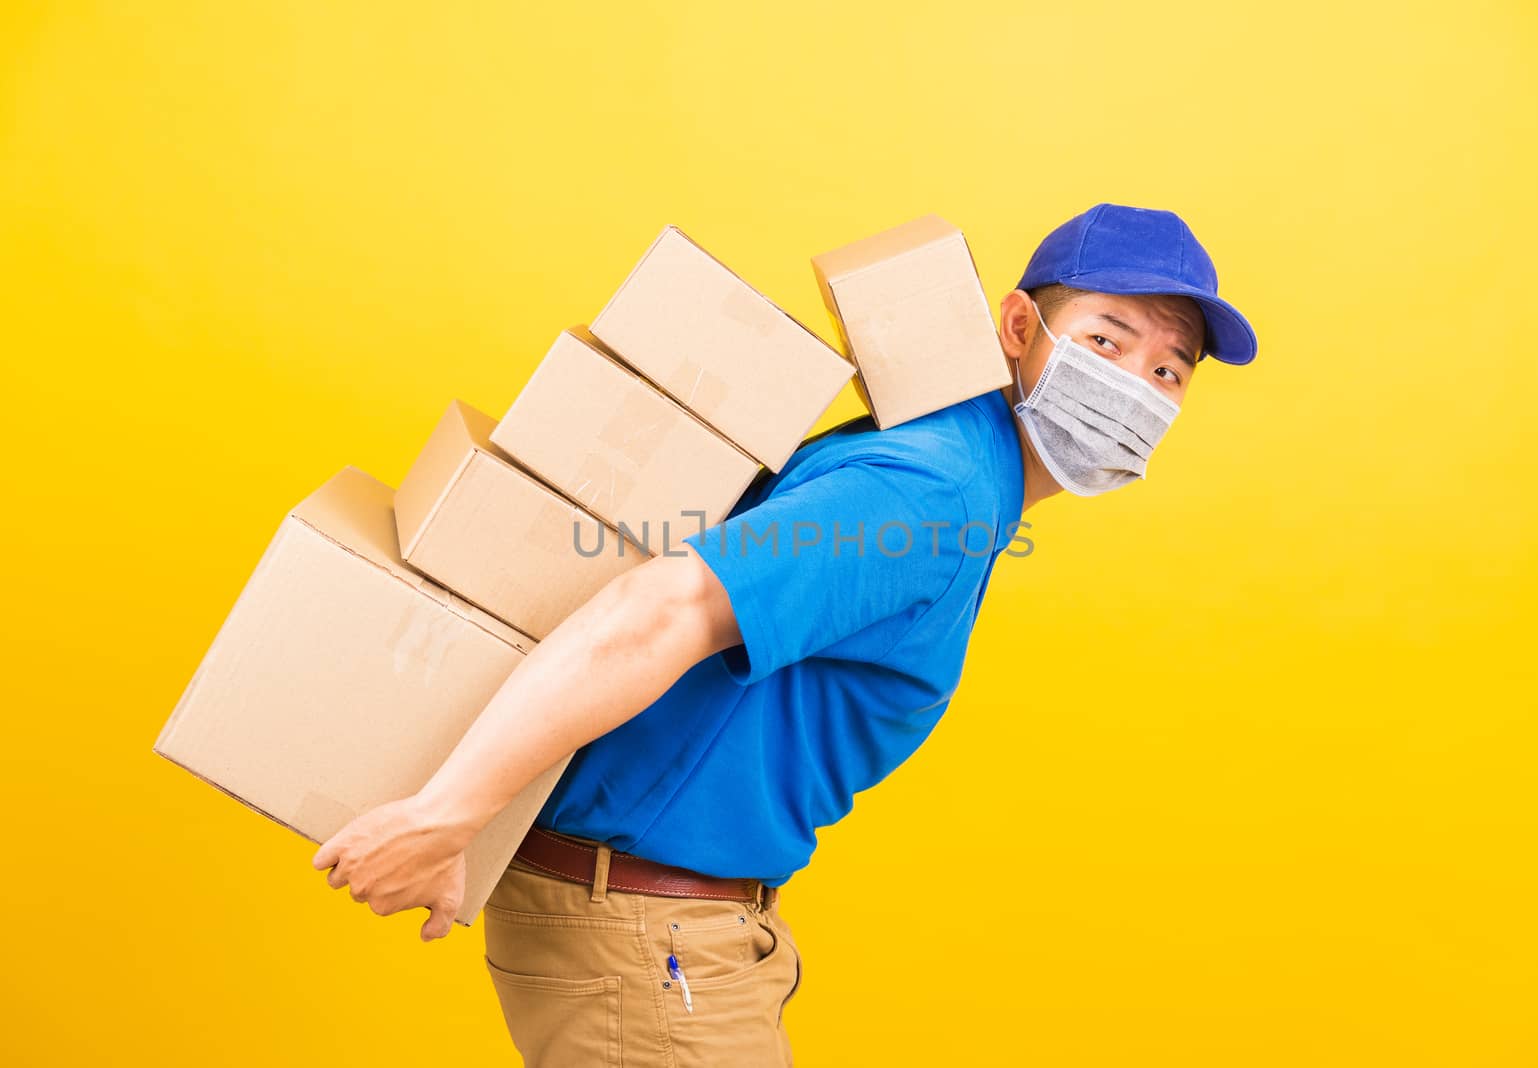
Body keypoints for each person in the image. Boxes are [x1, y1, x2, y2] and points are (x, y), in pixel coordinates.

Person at [311, 202, 1259, 1066]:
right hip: (647, 939)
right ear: (1019, 330)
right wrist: (444, 817)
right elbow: (666, 608)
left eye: (1167, 370)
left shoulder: (963, 469)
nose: (1133, 385)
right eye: (1105, 339)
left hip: (679, 931)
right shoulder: (936, 489)